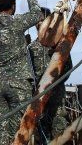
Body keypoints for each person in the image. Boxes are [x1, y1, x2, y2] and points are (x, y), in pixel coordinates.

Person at [0, 0, 44, 145]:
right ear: (13, 5)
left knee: (0, 130)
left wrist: (20, 44)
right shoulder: (17, 21)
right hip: (18, 85)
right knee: (19, 131)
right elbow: (37, 14)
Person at [29, 8, 72, 140]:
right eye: (38, 20)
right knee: (41, 135)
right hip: (39, 99)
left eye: (43, 20)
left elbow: (68, 69)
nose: (40, 23)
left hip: (57, 98)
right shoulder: (31, 47)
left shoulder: (59, 45)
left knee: (59, 133)